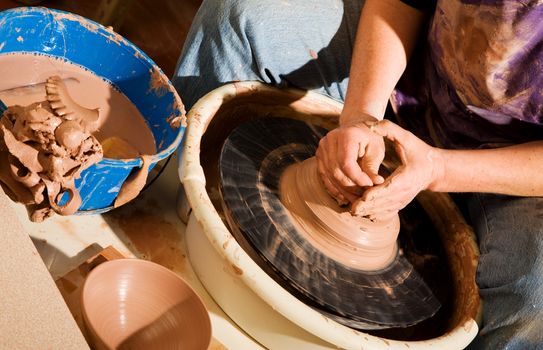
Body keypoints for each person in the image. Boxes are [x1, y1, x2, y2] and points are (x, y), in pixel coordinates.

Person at [172, 0, 543, 348]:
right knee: (243, 15)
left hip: (512, 165)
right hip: (414, 74)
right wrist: (362, 116)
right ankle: (176, 206)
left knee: (535, 303)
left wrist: (439, 169)